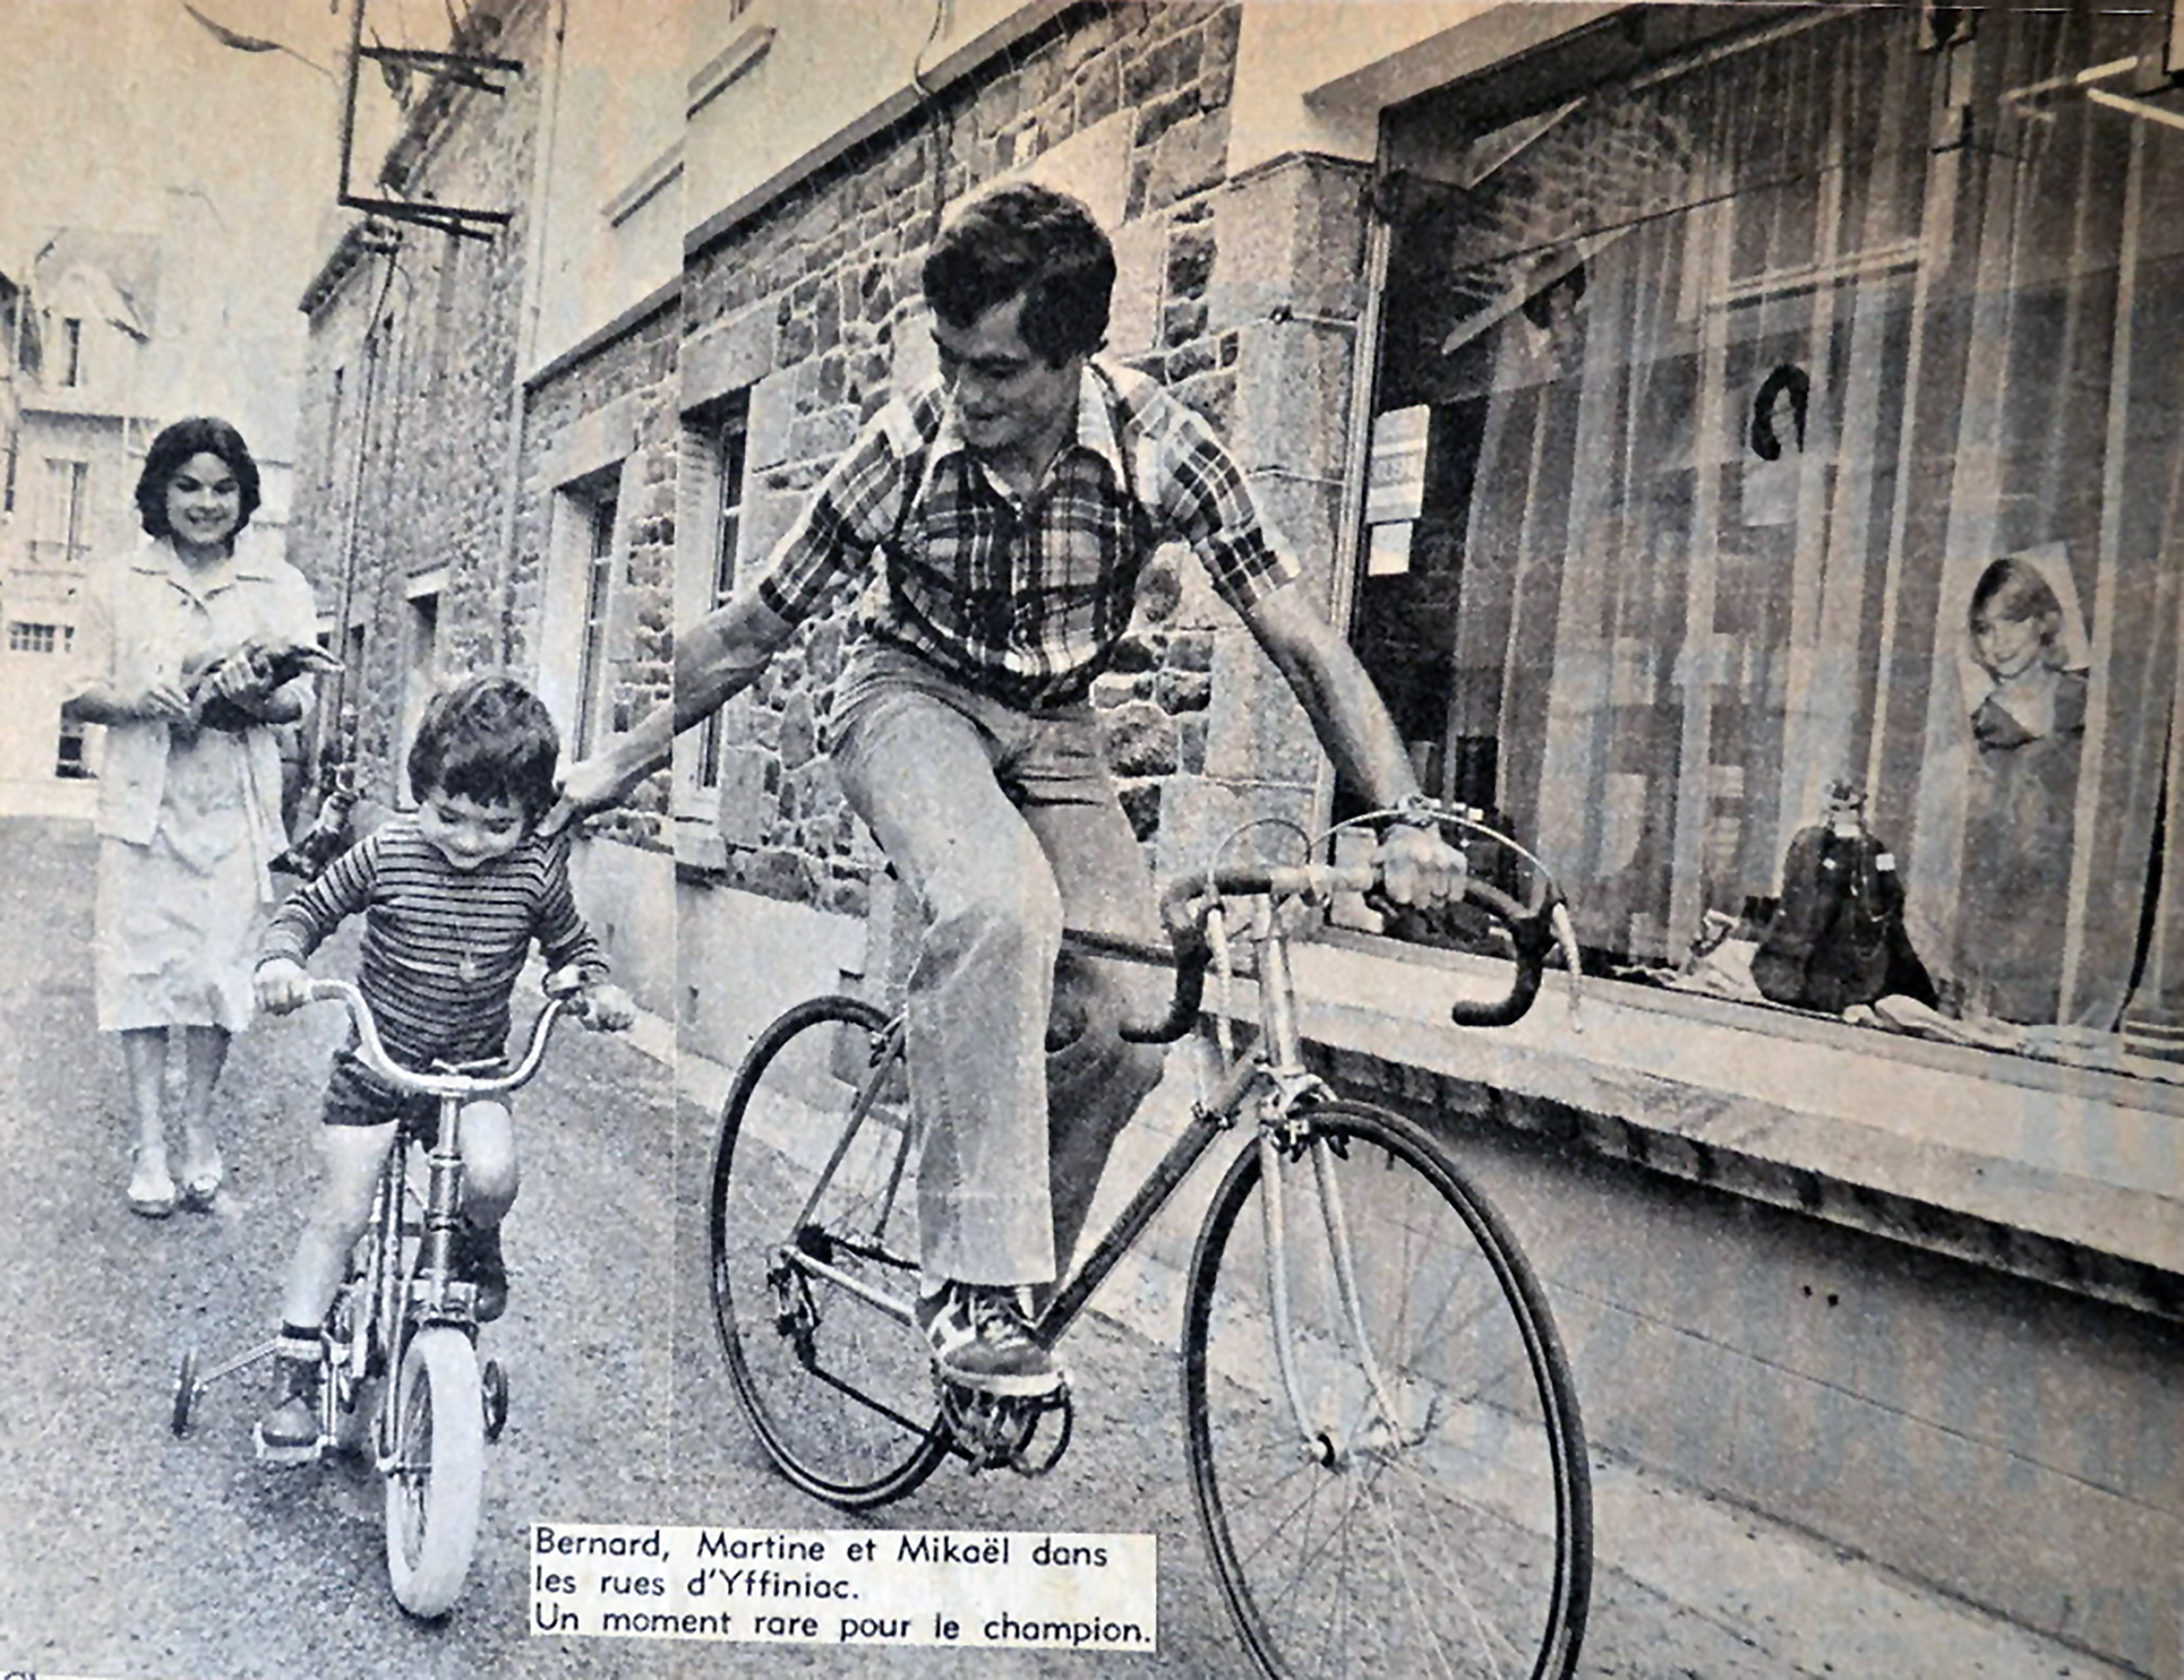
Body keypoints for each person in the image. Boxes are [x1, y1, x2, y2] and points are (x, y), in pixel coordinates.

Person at [557, 182, 1462, 1397]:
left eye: (1001, 371)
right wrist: (614, 761)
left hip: (1056, 723)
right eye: (953, 361)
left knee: (1137, 1014)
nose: (969, 398)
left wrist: (1402, 814)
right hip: (903, 696)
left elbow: (1303, 639)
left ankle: (1015, 1301)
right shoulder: (906, 449)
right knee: (995, 906)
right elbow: (744, 636)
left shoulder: (1159, 445)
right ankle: (972, 1288)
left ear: (1078, 354)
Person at [250, 675, 634, 1460]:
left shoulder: (532, 872)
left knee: (494, 1175)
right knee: (343, 1209)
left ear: (531, 818)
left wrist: (592, 987)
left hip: (473, 1073)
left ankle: (471, 1242)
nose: (466, 841)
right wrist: (283, 960)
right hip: (377, 1066)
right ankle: (294, 1368)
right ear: (418, 791)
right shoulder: (388, 850)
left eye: (495, 825)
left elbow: (572, 948)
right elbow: (307, 908)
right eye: (448, 816)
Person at [62, 417, 322, 1218]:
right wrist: (142, 698)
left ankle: (200, 1132)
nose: (206, 504)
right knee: (143, 973)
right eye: (188, 486)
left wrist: (255, 697)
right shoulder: (119, 580)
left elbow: (300, 699)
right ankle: (149, 1142)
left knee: (218, 974)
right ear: (160, 492)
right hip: (146, 803)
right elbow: (77, 688)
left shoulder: (278, 585)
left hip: (232, 806)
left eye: (223, 489)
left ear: (245, 498)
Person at [1955, 552, 2089, 1026]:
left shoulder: (2087, 701)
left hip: (2080, 900)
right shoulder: (1982, 726)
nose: (1999, 642)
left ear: (2044, 622)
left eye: (2012, 621)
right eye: (1985, 629)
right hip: (2014, 910)